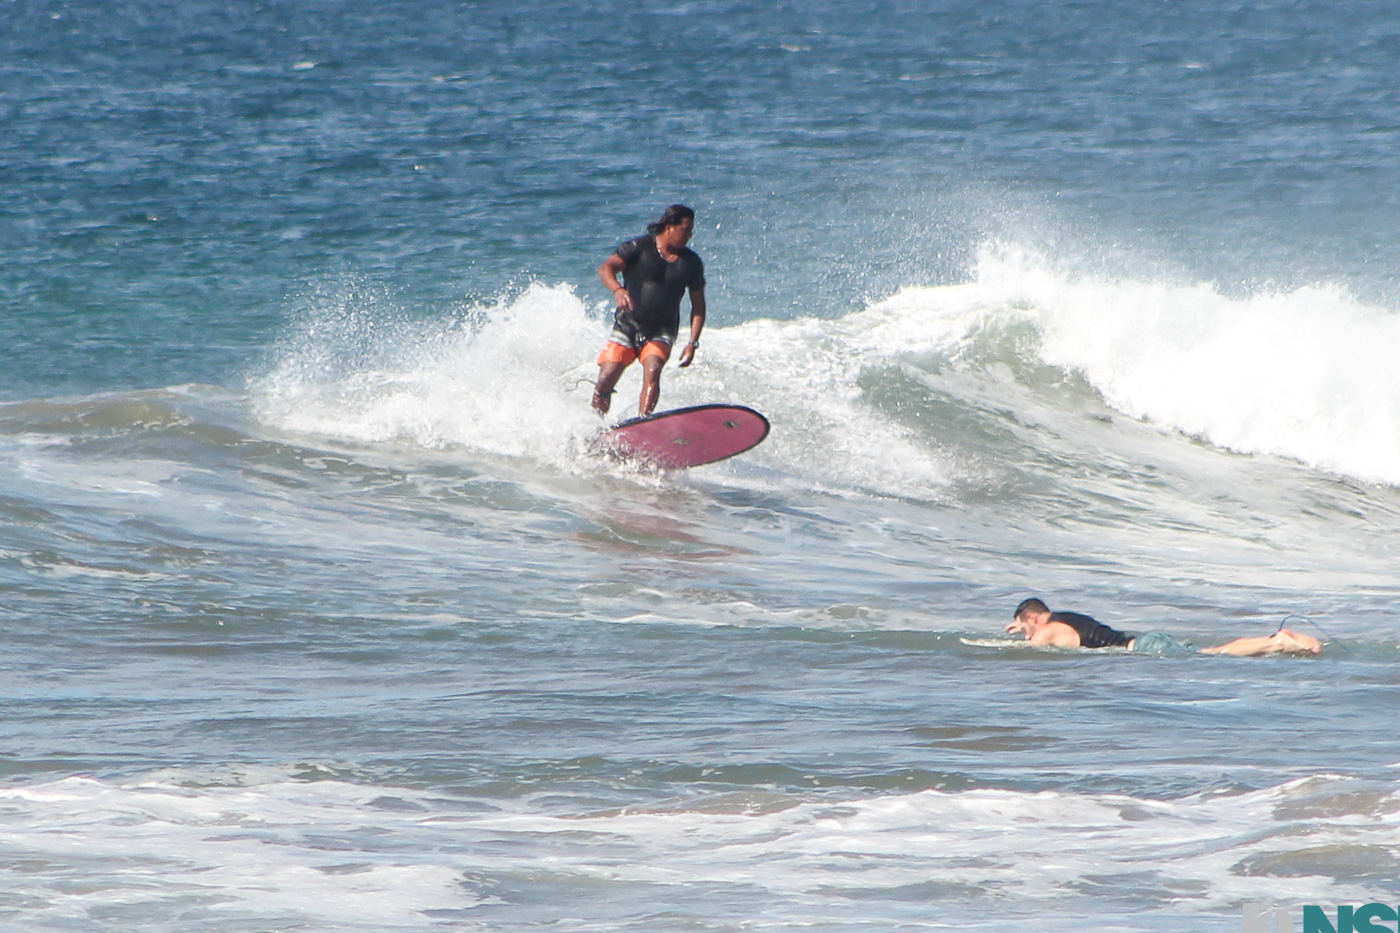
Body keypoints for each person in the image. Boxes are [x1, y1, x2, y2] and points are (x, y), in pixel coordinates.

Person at [592, 204, 707, 417]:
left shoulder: (691, 263)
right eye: (685, 230)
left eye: (691, 231)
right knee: (605, 379)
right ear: (669, 227)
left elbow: (698, 306)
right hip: (627, 325)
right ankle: (597, 425)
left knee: (653, 371)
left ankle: (644, 422)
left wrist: (693, 343)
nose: (689, 236)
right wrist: (618, 289)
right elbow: (605, 268)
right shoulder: (638, 248)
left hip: (662, 330)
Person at [1006, 597, 1322, 656]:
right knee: (1212, 651)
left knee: (1215, 654)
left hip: (1144, 647)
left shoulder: (1047, 627)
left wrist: (1024, 633)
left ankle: (1276, 642)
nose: (1026, 632)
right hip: (1146, 641)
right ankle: (1274, 639)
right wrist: (1022, 626)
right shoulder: (1065, 617)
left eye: (1025, 625)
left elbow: (1035, 647)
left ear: (1033, 618)